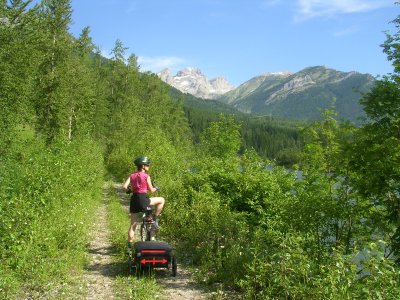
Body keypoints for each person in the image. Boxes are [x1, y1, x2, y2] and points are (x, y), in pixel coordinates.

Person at [123, 156, 165, 249]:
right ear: (143, 166)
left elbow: (124, 187)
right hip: (144, 200)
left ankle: (129, 247)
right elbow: (151, 190)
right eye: (147, 164)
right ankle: (156, 217)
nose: (148, 166)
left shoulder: (132, 175)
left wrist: (129, 190)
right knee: (161, 200)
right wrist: (156, 188)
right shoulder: (146, 176)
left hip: (134, 200)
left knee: (133, 225)